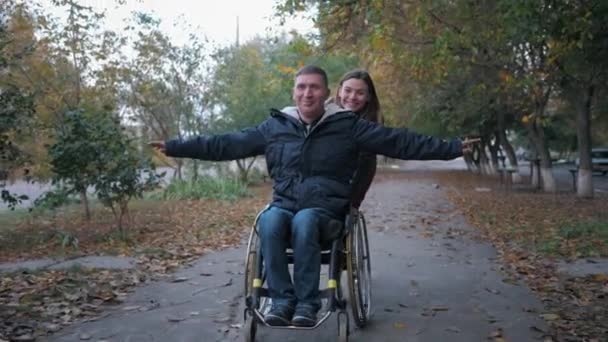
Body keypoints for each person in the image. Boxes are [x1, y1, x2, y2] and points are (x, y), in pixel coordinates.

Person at [150, 65, 477, 328]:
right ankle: (281, 299)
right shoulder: (276, 126)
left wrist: (450, 148)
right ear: (295, 92)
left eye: (314, 87)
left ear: (325, 94)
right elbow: (225, 144)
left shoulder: (347, 127)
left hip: (325, 210)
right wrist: (178, 146)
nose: (307, 93)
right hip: (284, 203)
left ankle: (307, 303)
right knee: (270, 220)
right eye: (301, 87)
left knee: (306, 221)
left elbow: (400, 142)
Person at [331, 69, 381, 209]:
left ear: (368, 97)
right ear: (340, 91)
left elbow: (364, 174)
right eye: (348, 90)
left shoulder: (370, 130)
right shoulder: (320, 116)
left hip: (345, 194)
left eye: (360, 93)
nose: (352, 97)